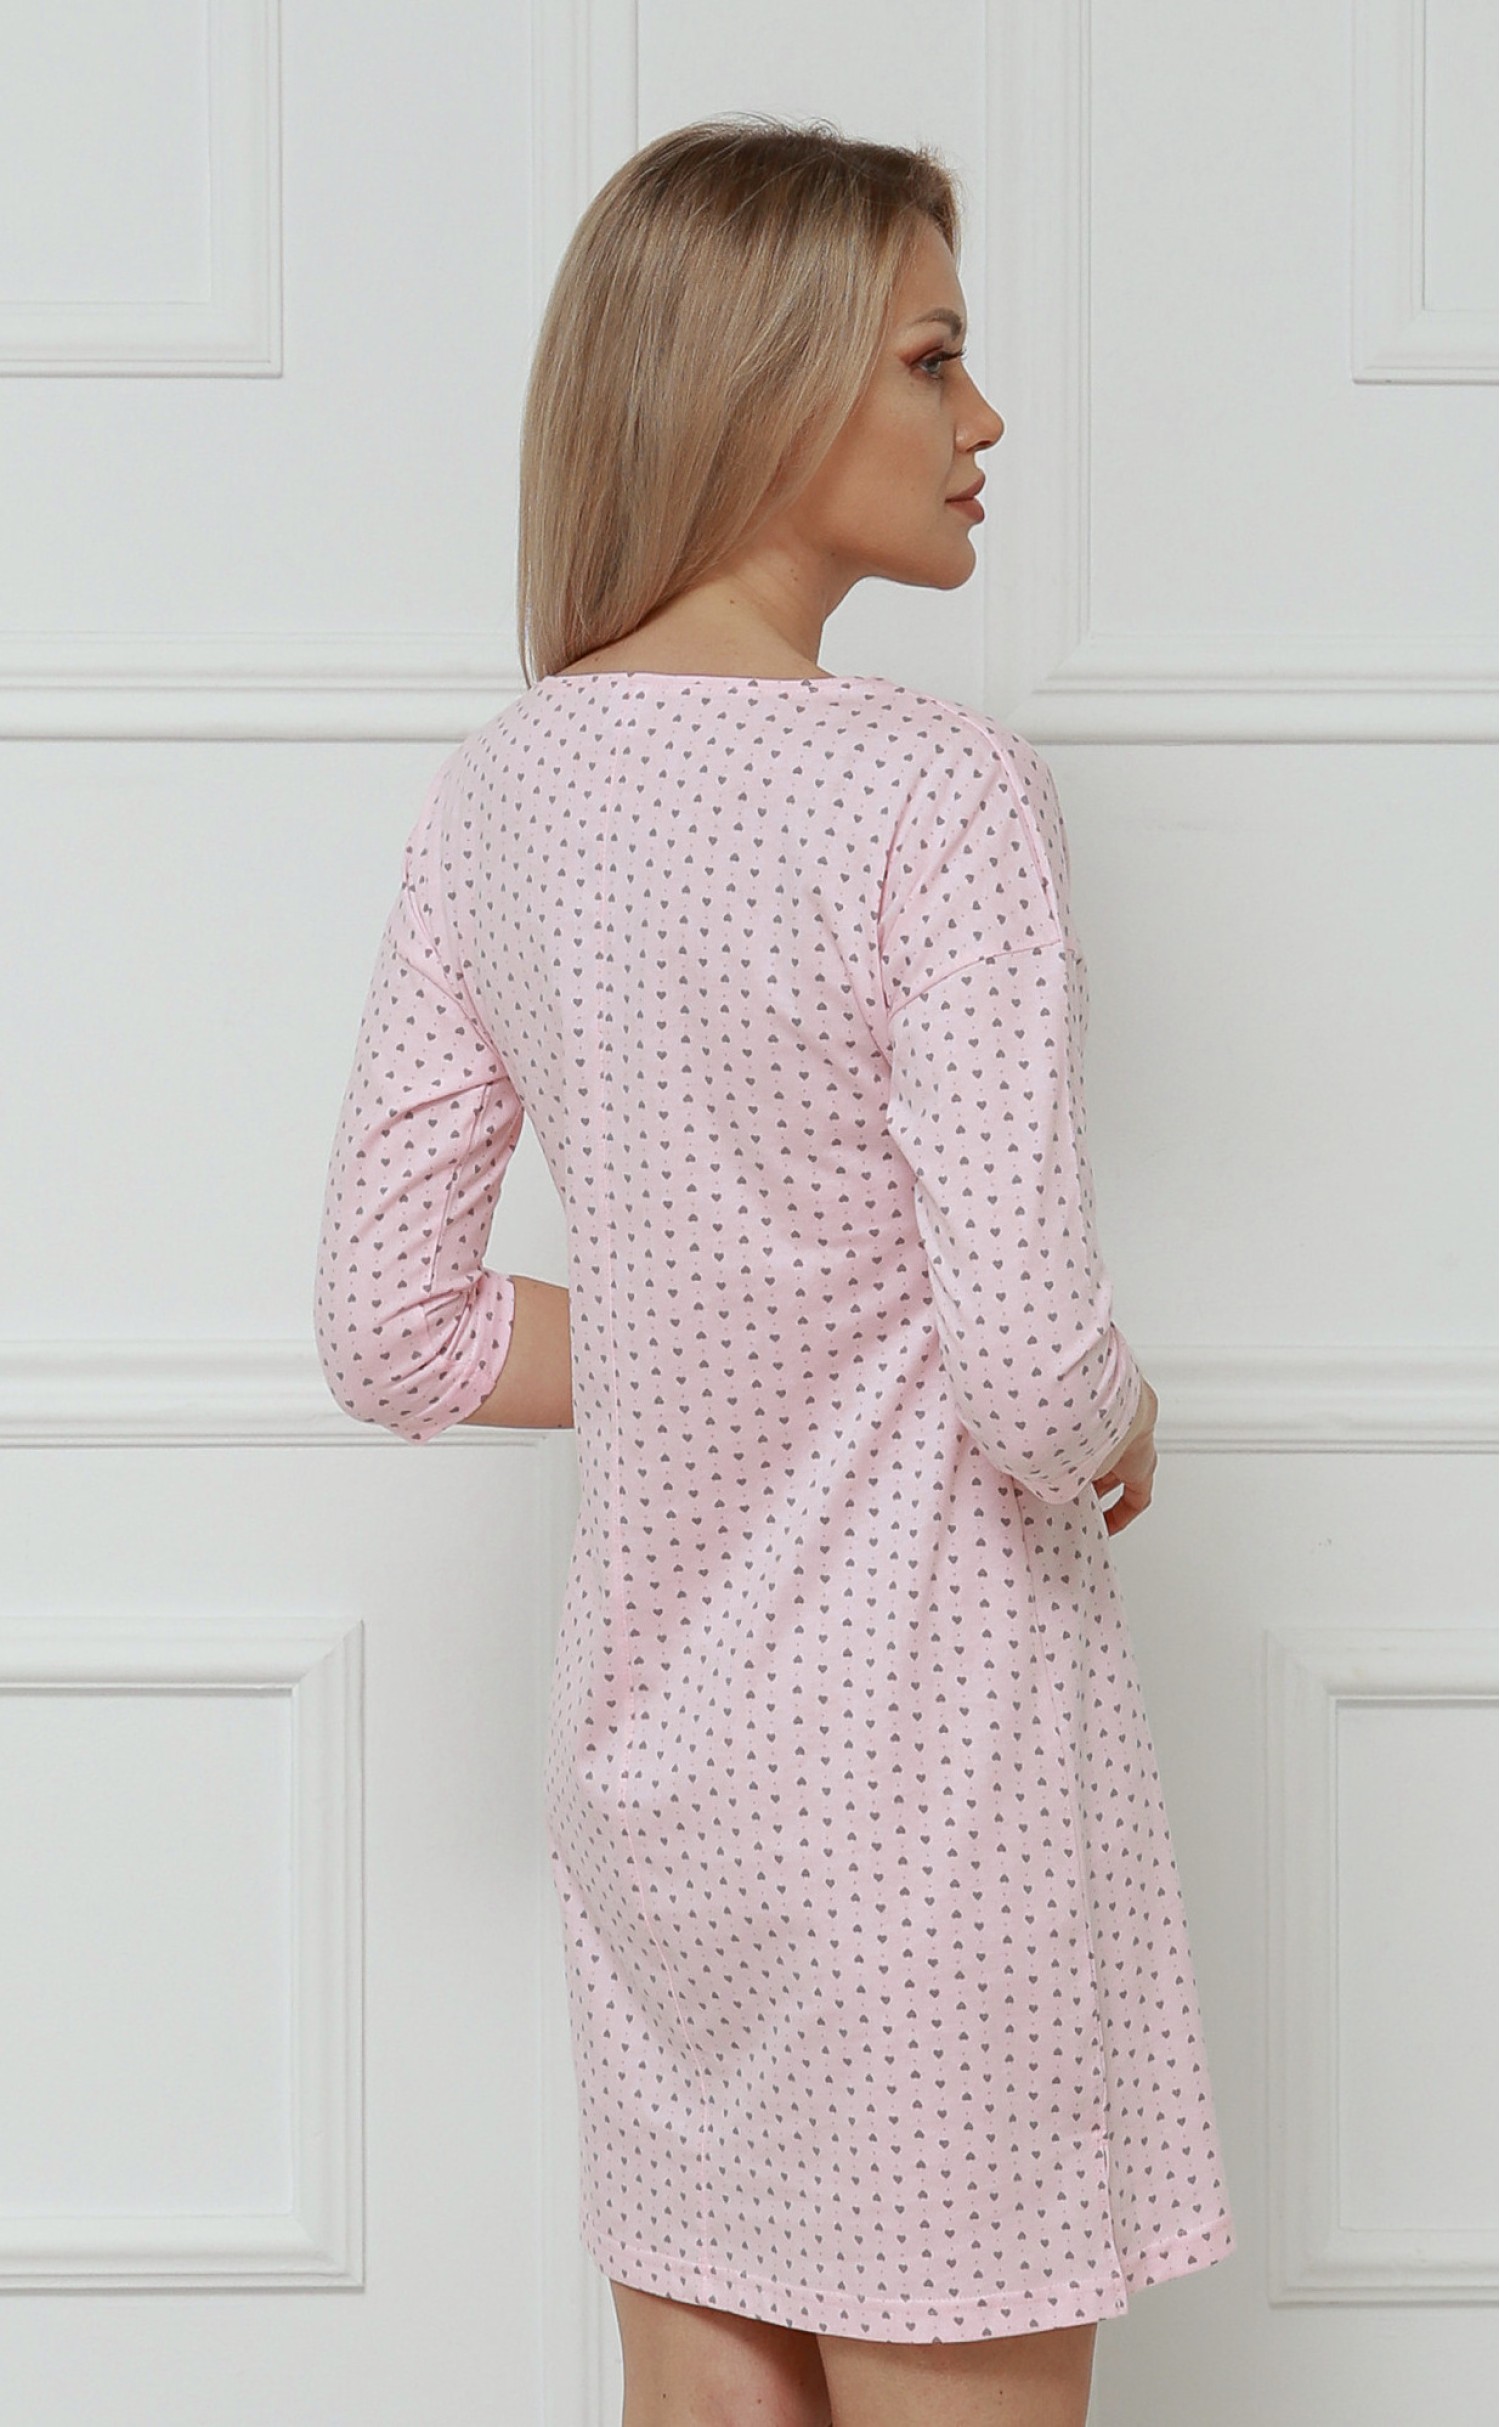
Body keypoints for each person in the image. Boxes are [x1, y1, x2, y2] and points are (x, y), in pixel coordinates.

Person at [313, 115, 1235, 2427]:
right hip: (927, 1793)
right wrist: (1120, 1407)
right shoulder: (931, 788)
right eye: (933, 357)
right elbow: (1031, 1373)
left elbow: (392, 1317)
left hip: (668, 1810)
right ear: (761, 379)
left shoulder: (502, 794)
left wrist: (735, 1314)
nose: (985, 416)